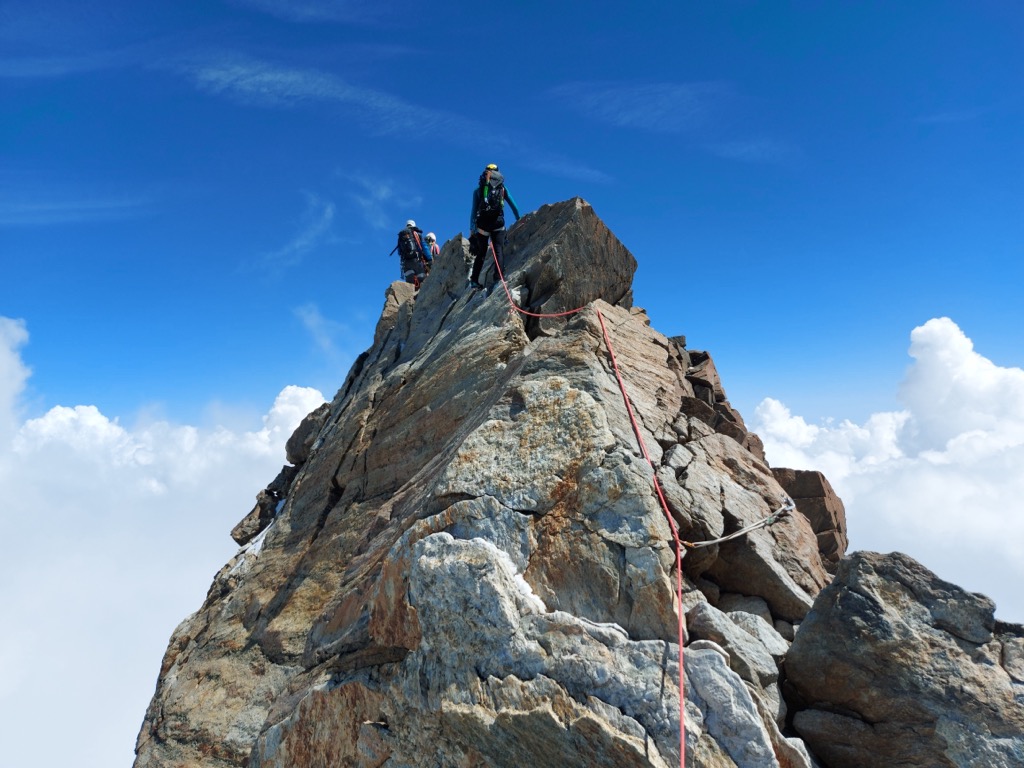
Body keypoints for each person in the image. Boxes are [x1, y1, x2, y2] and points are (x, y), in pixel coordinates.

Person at [468, 164, 520, 290]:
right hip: (498, 223)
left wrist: (472, 230)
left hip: (483, 225)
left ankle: (474, 281)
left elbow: (474, 211)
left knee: (481, 253)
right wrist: (518, 219)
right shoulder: (503, 189)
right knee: (498, 251)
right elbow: (514, 206)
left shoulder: (478, 190)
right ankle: (498, 278)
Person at [390, 219, 429, 288]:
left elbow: (399, 252)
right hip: (417, 260)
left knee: (410, 284)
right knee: (422, 281)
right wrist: (429, 258)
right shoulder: (417, 234)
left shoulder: (401, 237)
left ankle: (411, 296)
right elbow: (424, 247)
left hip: (406, 263)